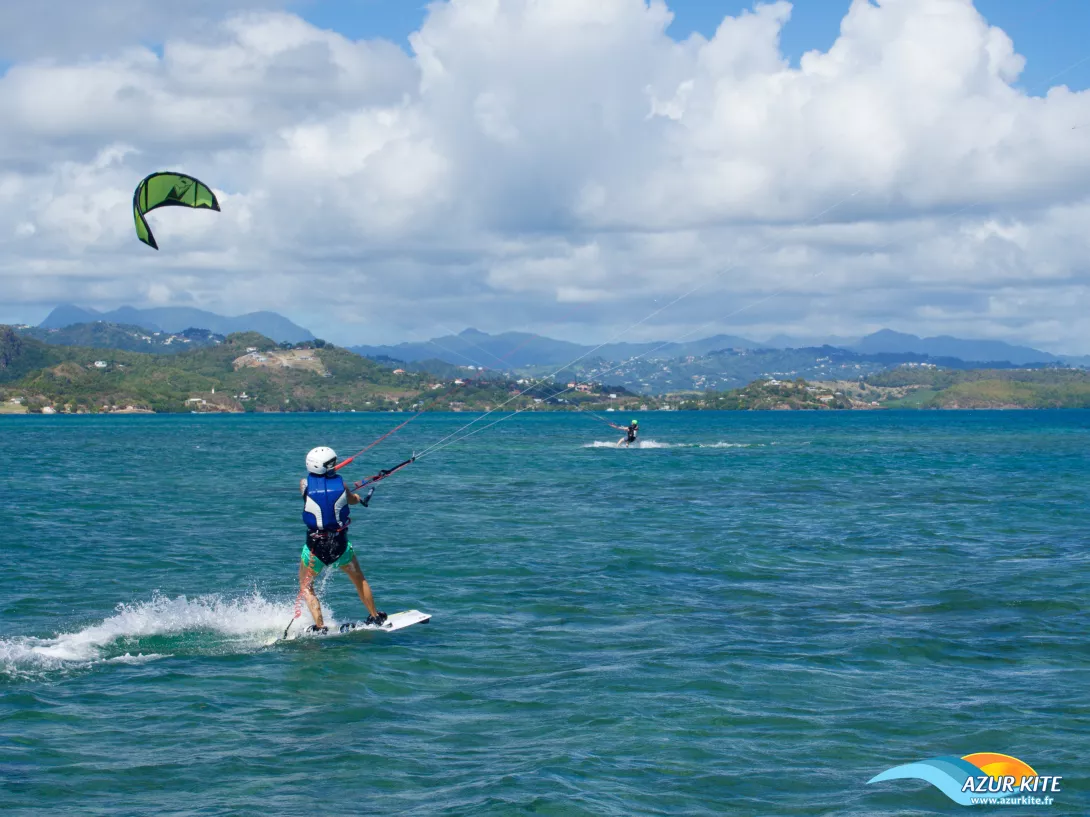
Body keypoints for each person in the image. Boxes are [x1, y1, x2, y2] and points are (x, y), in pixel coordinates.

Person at [298, 446, 387, 634]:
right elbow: (352, 500)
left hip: (315, 548)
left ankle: (320, 627)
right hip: (340, 546)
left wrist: (327, 473)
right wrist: (354, 496)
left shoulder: (304, 485)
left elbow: (317, 491)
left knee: (306, 586)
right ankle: (375, 616)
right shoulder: (342, 485)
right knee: (358, 578)